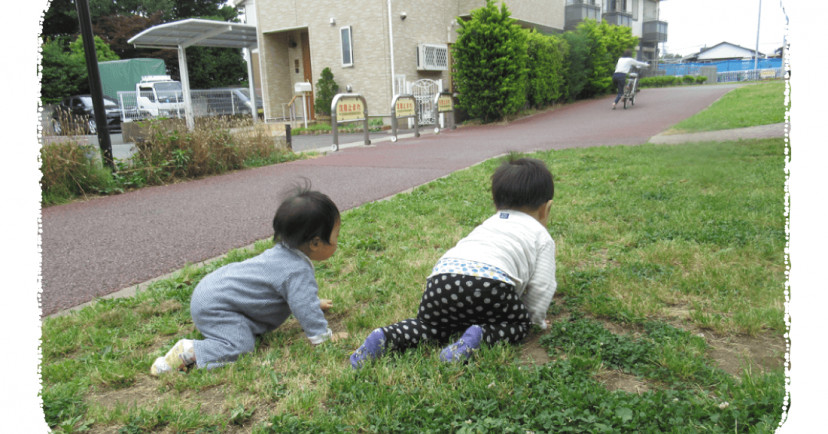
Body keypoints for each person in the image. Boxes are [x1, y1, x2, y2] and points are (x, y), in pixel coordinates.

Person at [349, 157, 557, 368]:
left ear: (497, 203)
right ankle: (479, 335)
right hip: (490, 285)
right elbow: (542, 286)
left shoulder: (489, 224)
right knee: (518, 324)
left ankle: (386, 336)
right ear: (546, 208)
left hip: (442, 279)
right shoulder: (540, 235)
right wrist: (534, 320)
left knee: (430, 327)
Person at [151, 187, 346, 375]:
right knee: (241, 346)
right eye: (336, 236)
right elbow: (302, 304)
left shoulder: (282, 254)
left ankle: (213, 332)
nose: (338, 241)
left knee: (241, 335)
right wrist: (323, 339)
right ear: (315, 243)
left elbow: (299, 299)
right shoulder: (296, 270)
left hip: (211, 292)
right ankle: (189, 351)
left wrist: (312, 303)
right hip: (218, 307)